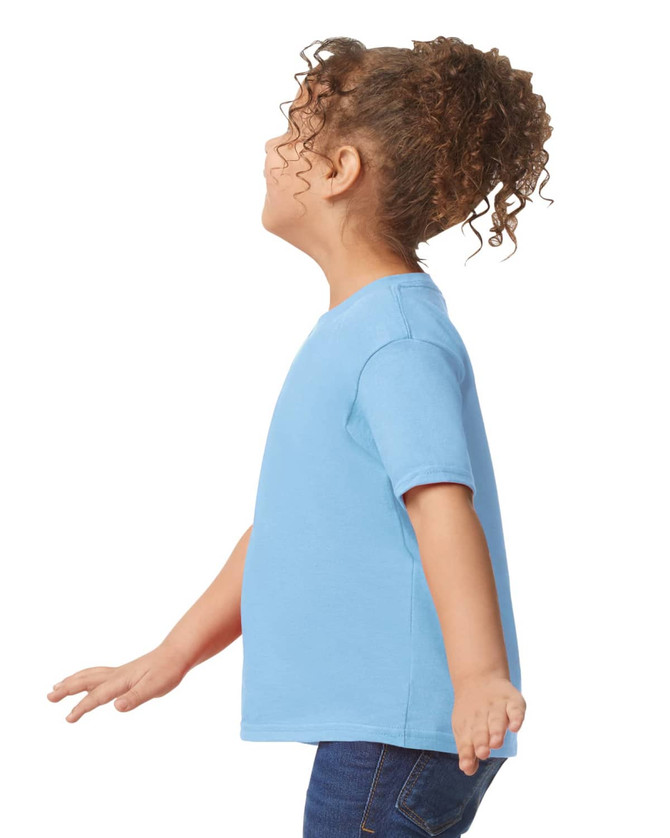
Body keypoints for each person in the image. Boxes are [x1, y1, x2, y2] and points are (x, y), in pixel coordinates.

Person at [48, 35, 552, 837]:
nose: (271, 147)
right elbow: (286, 530)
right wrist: (172, 653)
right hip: (386, 731)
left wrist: (481, 676)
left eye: (294, 130)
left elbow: (441, 506)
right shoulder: (361, 328)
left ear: (340, 169)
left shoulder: (395, 336)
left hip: (403, 731)